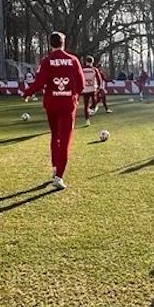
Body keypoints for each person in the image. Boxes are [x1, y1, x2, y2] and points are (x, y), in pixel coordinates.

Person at [22, 31, 85, 190]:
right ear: (64, 43)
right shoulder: (73, 60)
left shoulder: (47, 61)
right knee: (65, 140)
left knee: (55, 136)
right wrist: (74, 96)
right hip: (67, 105)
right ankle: (59, 176)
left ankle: (55, 167)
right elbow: (81, 84)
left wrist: (27, 93)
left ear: (50, 44)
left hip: (51, 104)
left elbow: (39, 82)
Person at [81, 56, 99, 126]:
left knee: (86, 105)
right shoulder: (94, 69)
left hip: (86, 89)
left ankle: (87, 119)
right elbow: (99, 78)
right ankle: (90, 112)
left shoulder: (82, 69)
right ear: (92, 62)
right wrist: (99, 87)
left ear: (86, 62)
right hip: (92, 89)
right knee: (94, 103)